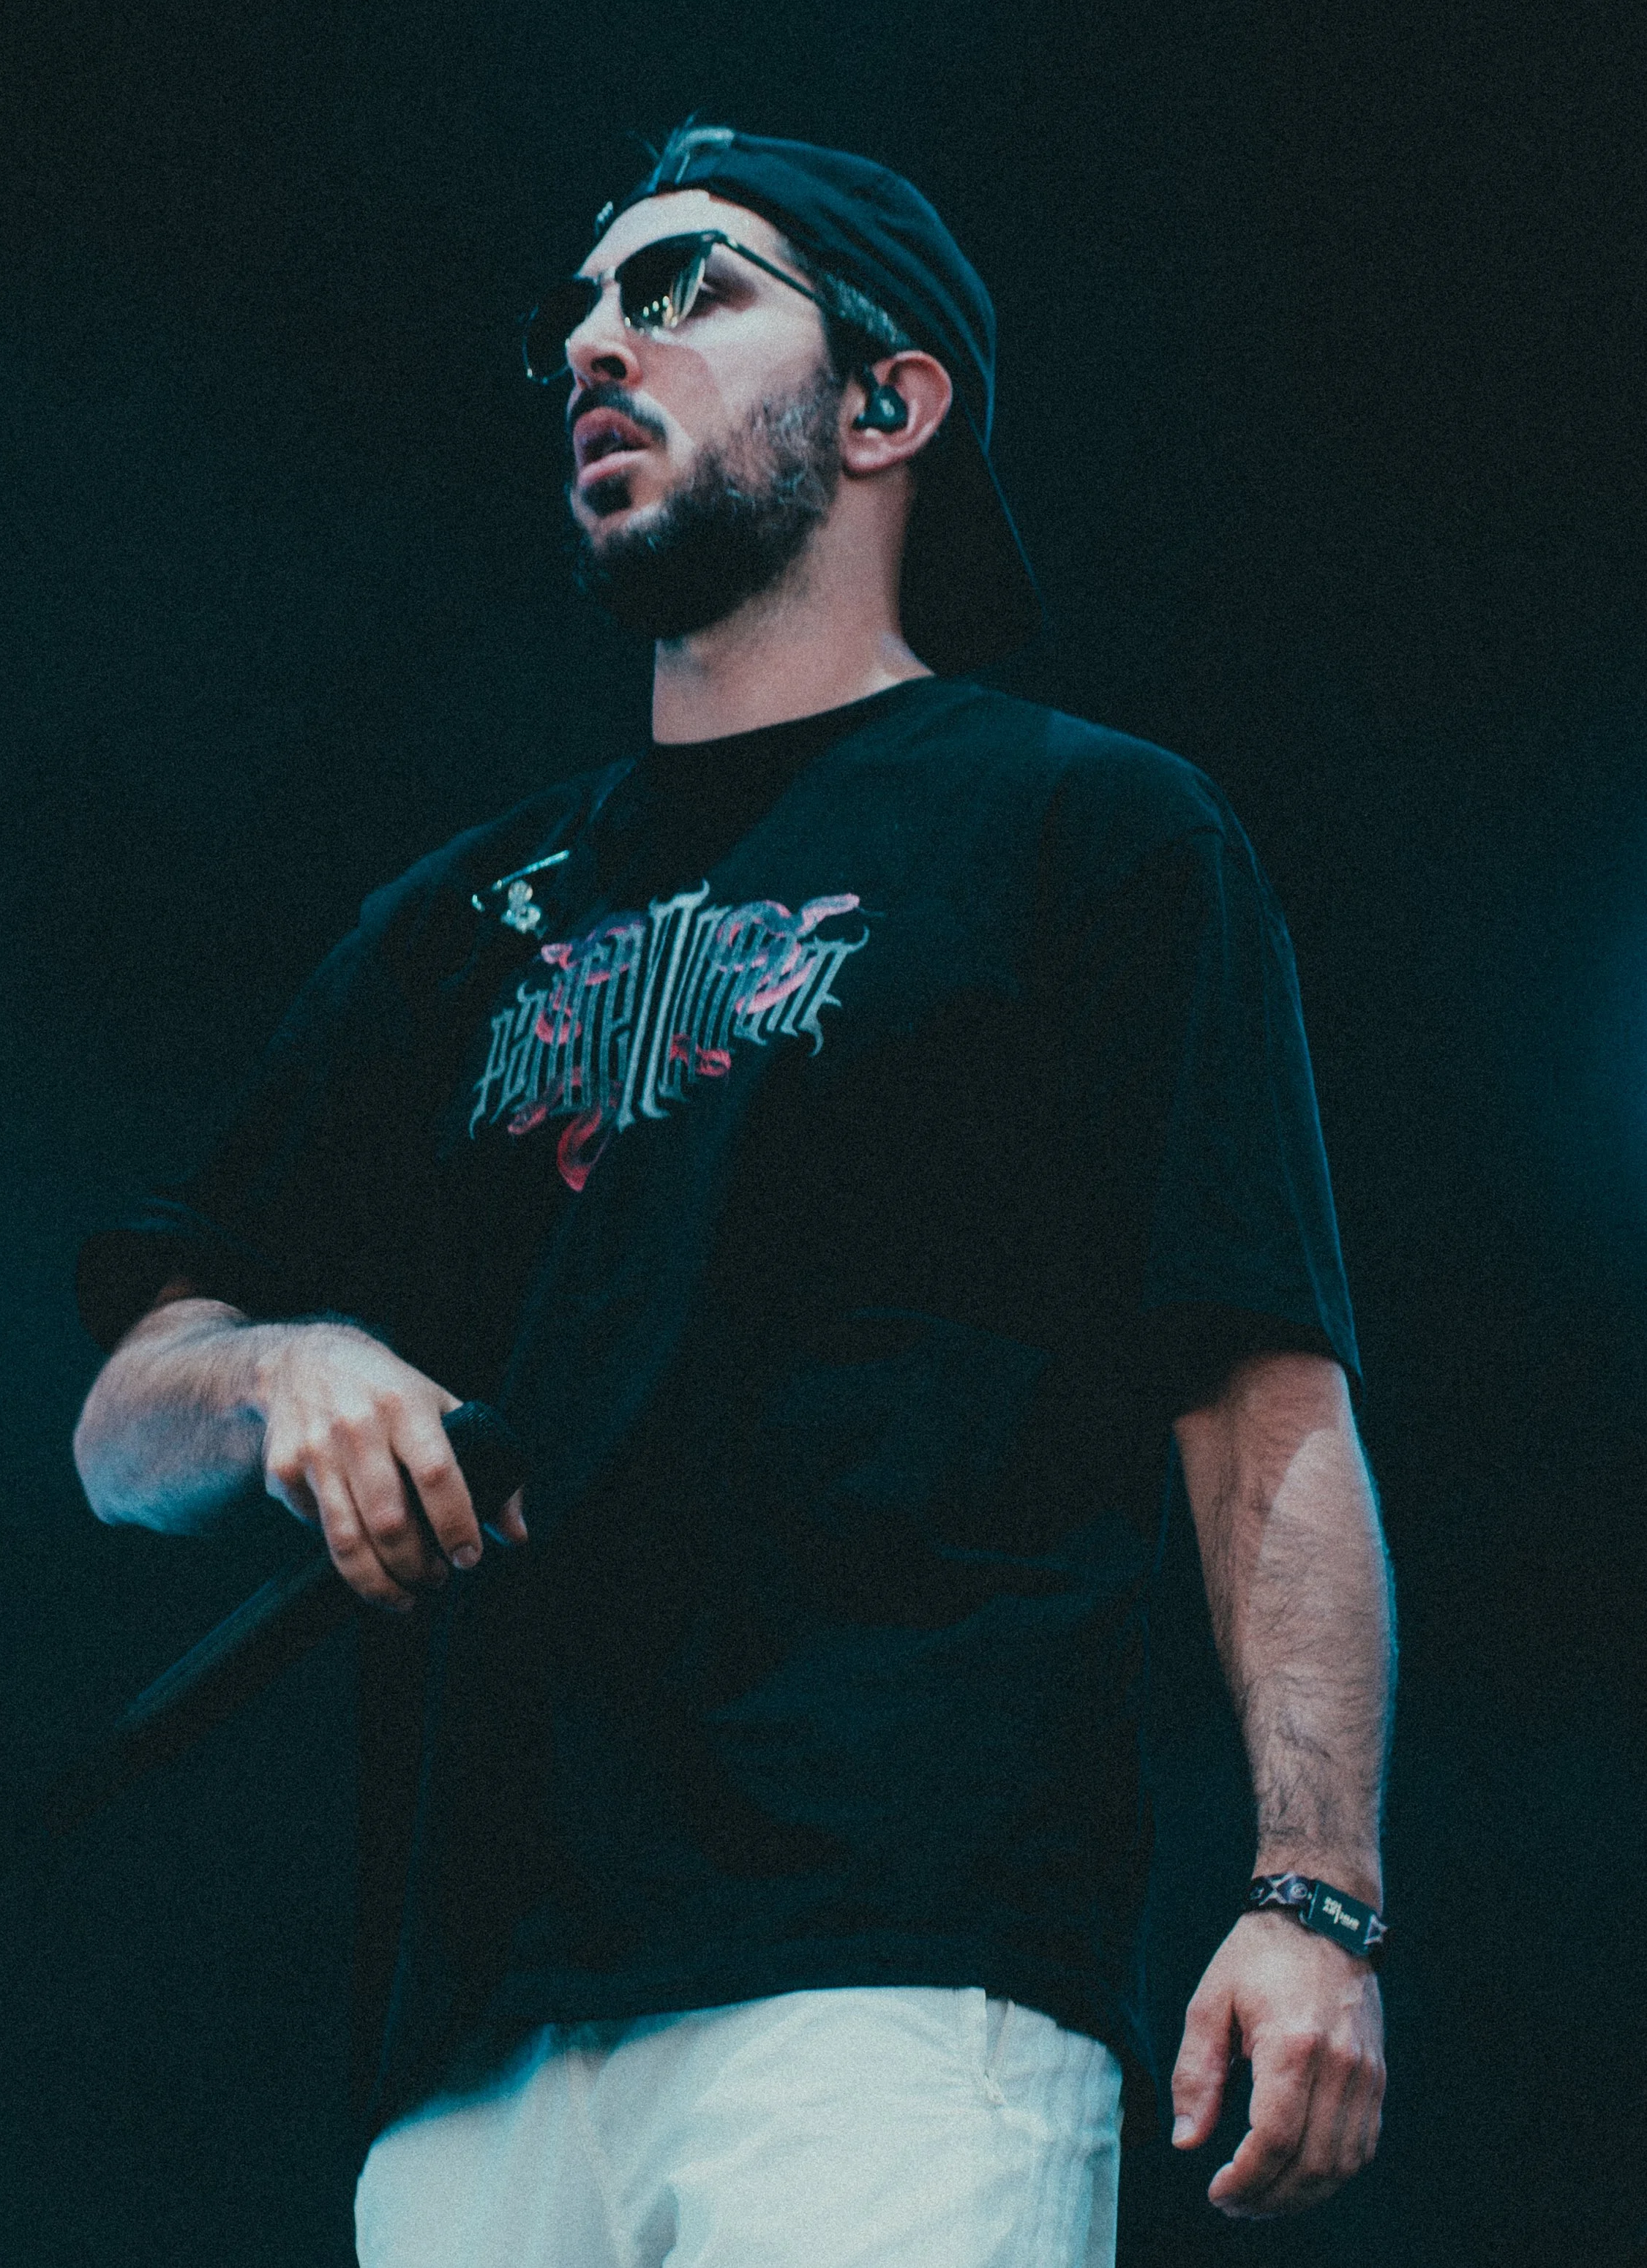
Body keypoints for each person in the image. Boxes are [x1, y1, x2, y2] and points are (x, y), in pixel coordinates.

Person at [72, 120, 1392, 2268]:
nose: (597, 339)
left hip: (890, 1972)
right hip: (471, 2032)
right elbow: (125, 1427)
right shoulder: (455, 929)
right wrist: (280, 1368)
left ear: (888, 403)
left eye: (679, 288)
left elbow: (1260, 1401)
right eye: (576, 315)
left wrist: (1309, 1889)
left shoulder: (1086, 836)